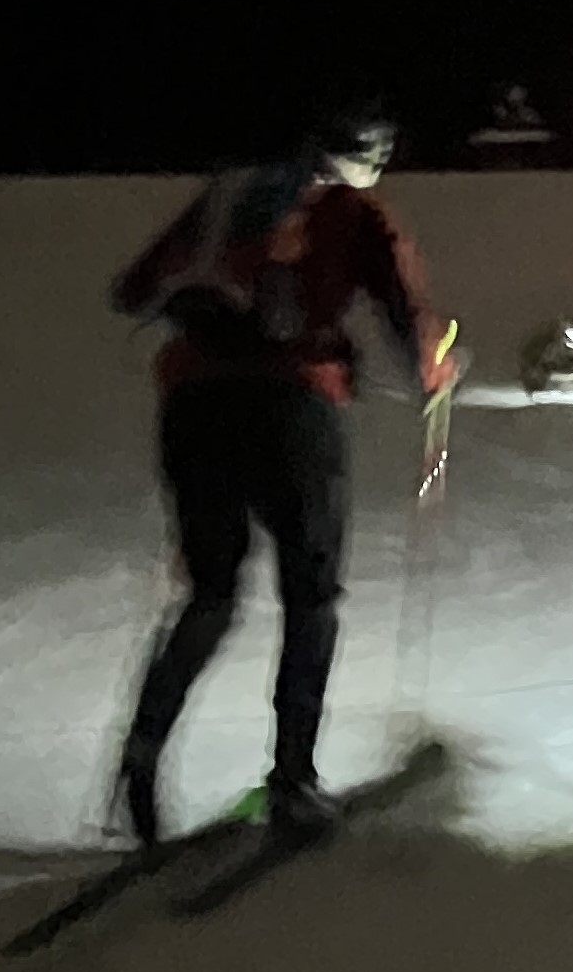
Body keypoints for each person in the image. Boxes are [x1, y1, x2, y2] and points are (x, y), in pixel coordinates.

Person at [108, 102, 457, 850]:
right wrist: (433, 371)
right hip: (292, 407)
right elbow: (403, 306)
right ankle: (292, 780)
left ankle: (141, 752)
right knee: (310, 594)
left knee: (210, 592)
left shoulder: (229, 195)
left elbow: (133, 290)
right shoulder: (354, 210)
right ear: (364, 153)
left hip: (194, 404)